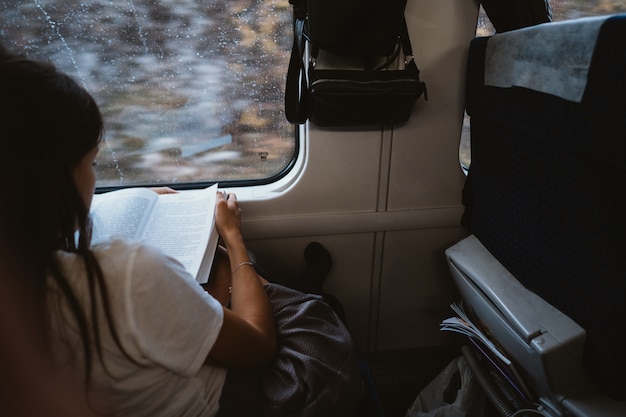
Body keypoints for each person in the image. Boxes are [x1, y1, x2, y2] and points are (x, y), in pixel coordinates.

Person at [0, 45, 363, 417]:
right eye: (91, 163)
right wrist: (233, 238)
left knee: (219, 284)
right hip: (227, 400)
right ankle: (291, 290)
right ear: (51, 182)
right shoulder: (122, 275)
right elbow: (258, 347)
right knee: (315, 320)